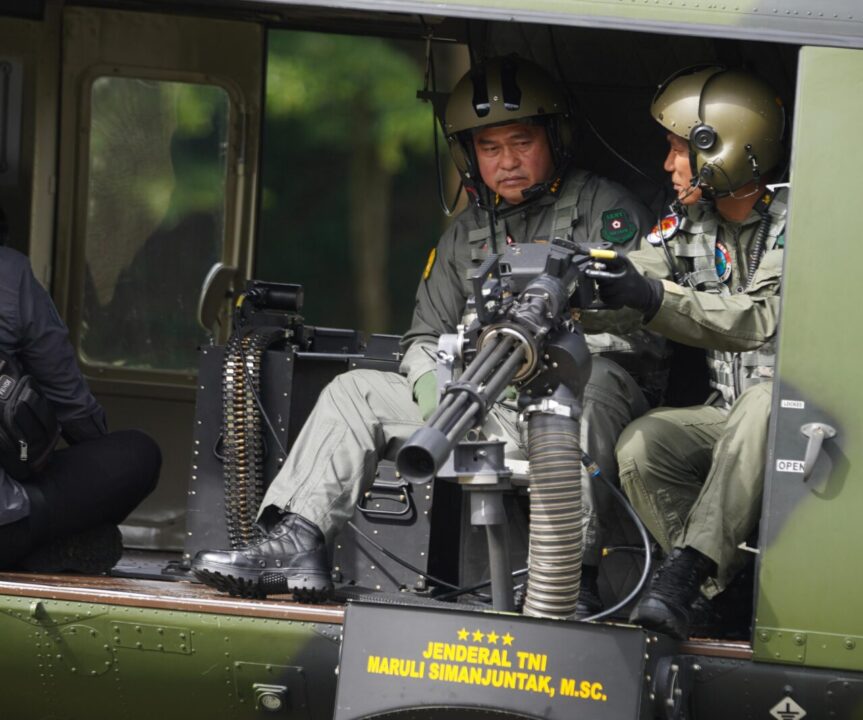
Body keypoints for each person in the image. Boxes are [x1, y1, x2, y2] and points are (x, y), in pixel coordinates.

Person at [192, 56, 654, 610]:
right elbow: (423, 337)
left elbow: (645, 325)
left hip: (580, 390)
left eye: (521, 141)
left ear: (554, 138)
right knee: (354, 392)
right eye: (489, 148)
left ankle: (569, 579)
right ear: (468, 156)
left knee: (591, 388)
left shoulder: (607, 211)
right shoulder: (465, 235)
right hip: (485, 397)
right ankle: (299, 541)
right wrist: (438, 391)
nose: (507, 161)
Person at [588, 67, 787, 638]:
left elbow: (762, 319)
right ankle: (714, 594)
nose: (668, 166)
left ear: (721, 149)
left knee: (766, 400)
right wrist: (578, 286)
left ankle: (687, 576)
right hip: (727, 414)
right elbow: (639, 278)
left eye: (679, 151)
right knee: (643, 445)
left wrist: (653, 296)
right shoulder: (691, 224)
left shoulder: (804, 221)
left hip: (801, 416)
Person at [0, 247, 161, 572]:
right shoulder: (8, 273)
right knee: (138, 454)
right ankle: (45, 549)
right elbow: (72, 407)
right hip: (8, 523)